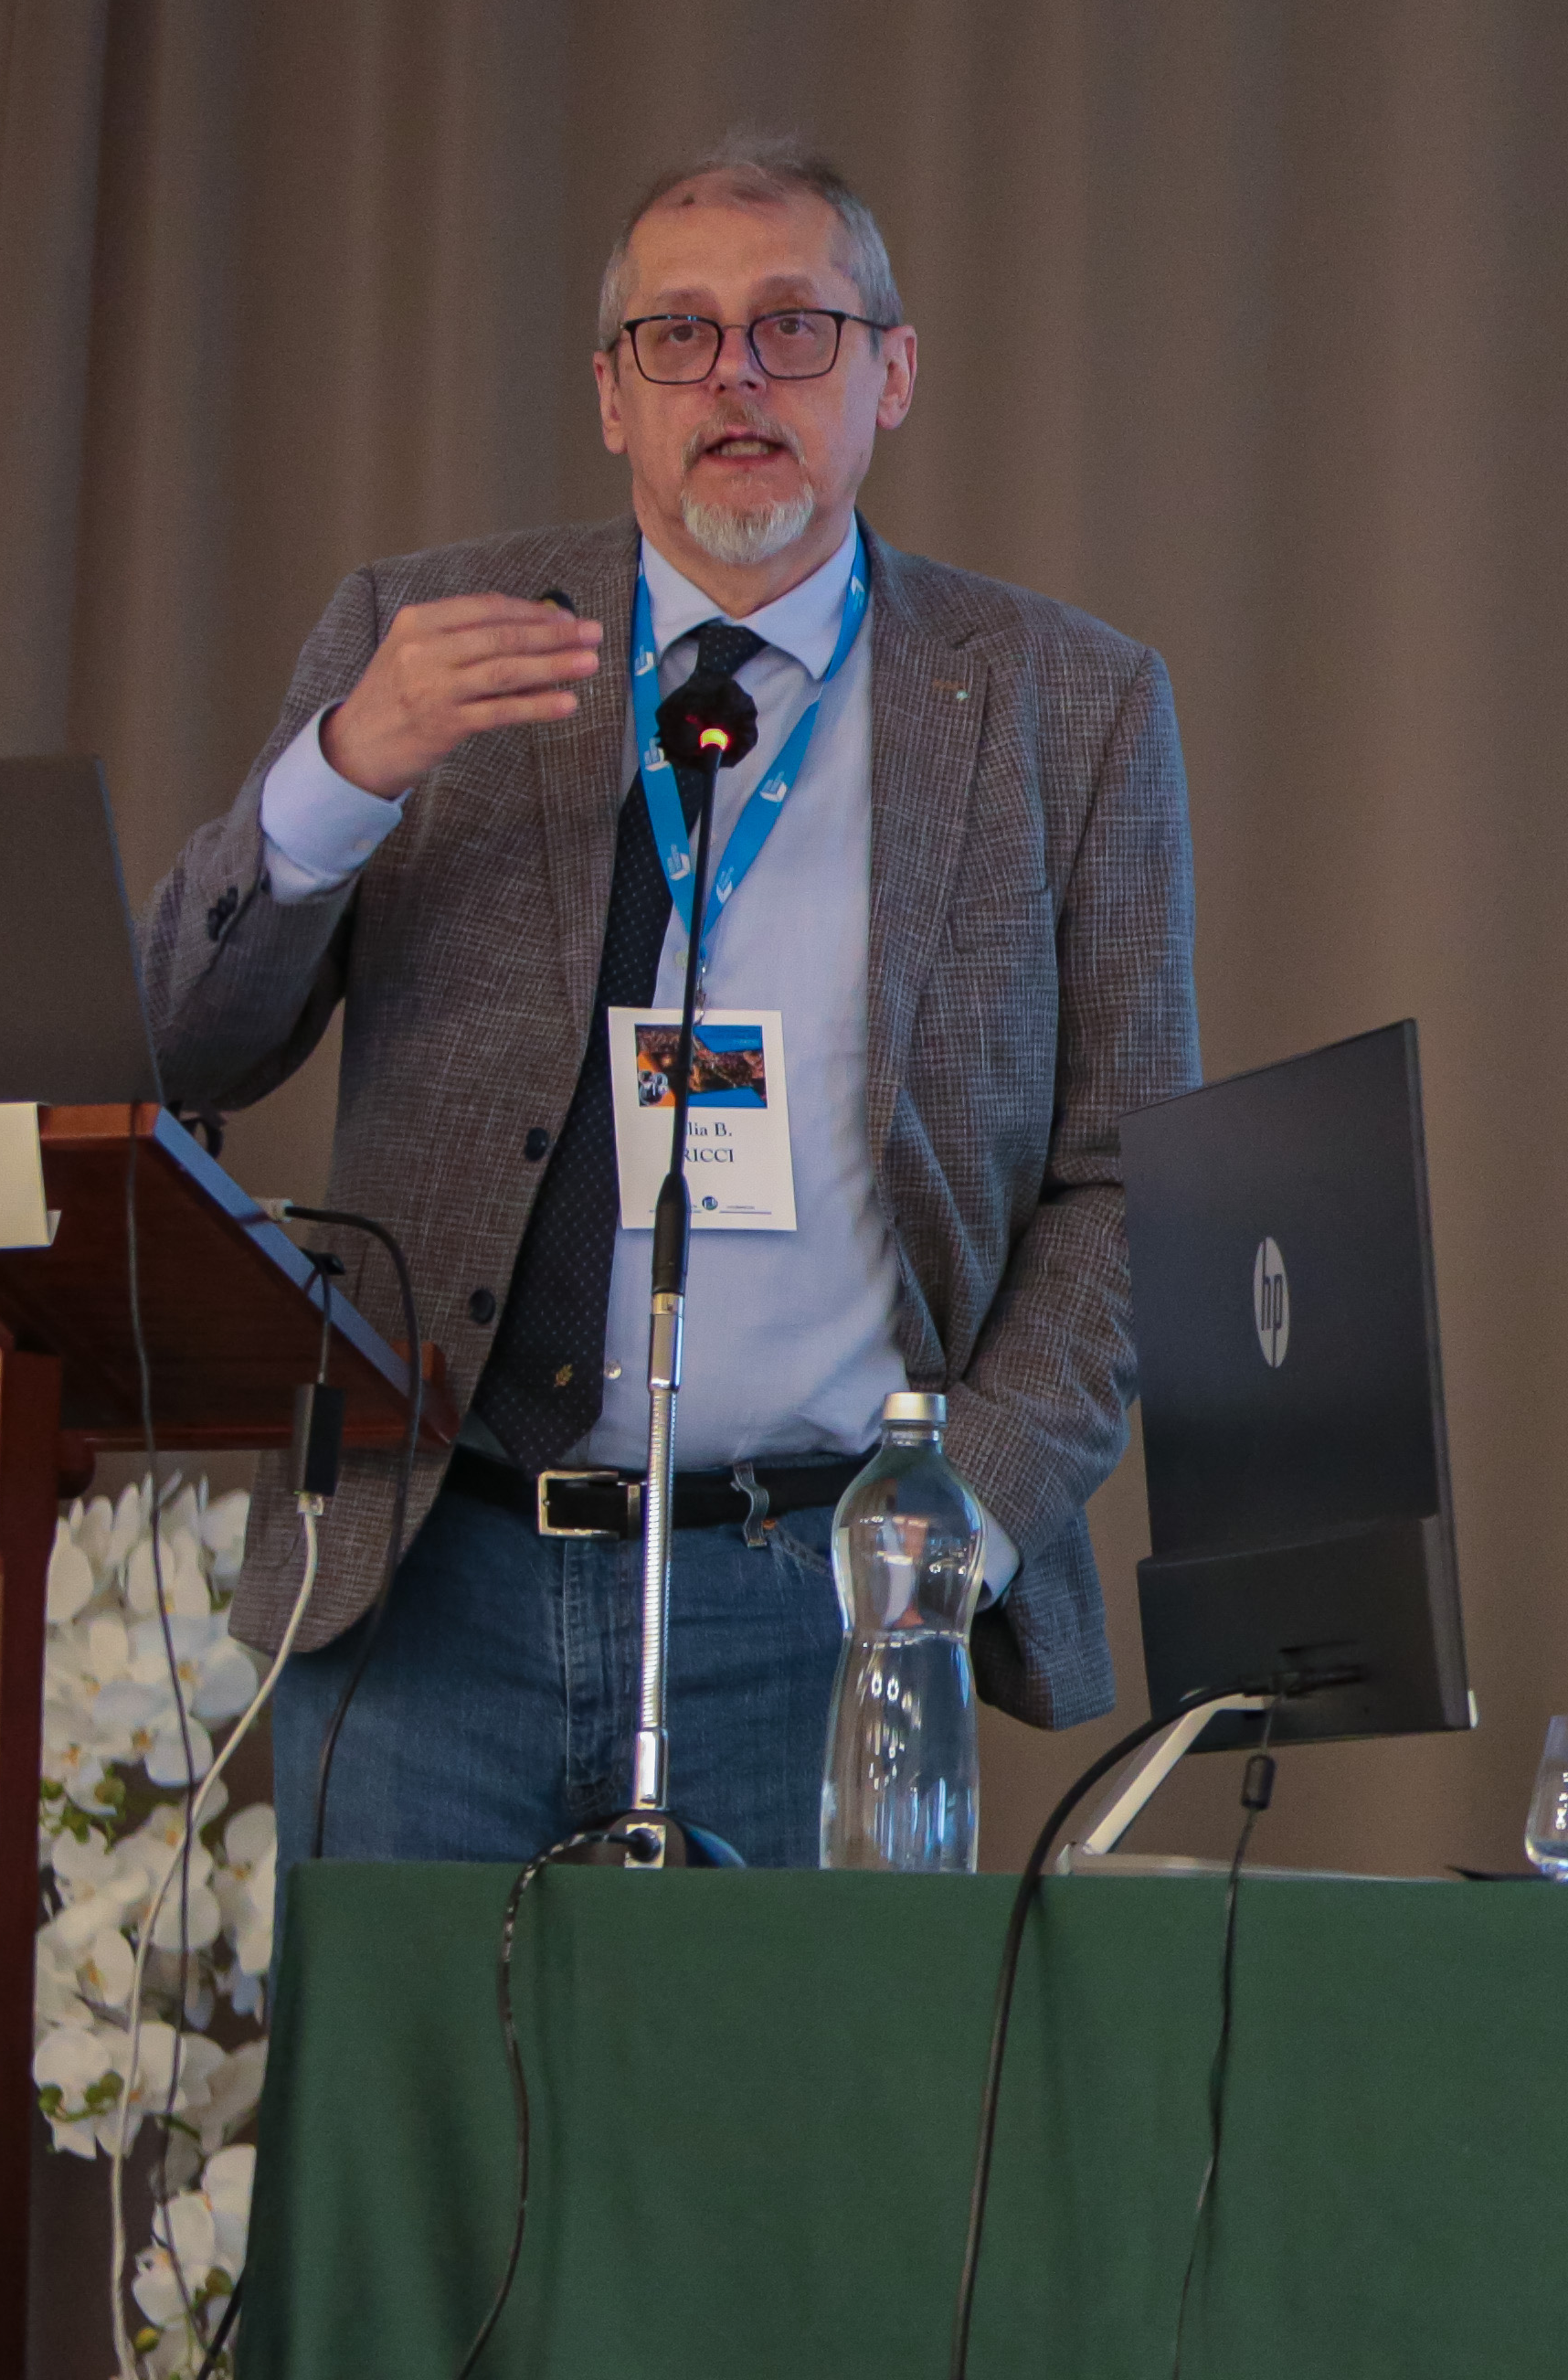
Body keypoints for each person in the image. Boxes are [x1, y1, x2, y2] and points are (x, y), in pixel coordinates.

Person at [138, 139, 1196, 1863]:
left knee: (791, 2058)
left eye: (794, 327)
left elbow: (1132, 1191)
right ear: (611, 396)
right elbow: (185, 1048)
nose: (736, 379)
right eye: (679, 335)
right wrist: (341, 776)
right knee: (412, 2058)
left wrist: (957, 1529)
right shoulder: (418, 642)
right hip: (433, 1594)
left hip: (824, 1609)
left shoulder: (1066, 704)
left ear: (891, 375)